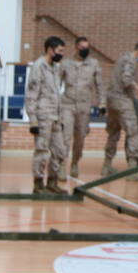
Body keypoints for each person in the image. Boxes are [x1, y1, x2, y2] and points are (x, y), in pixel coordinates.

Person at [103, 40, 138, 181]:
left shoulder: (122, 57)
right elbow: (126, 79)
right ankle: (132, 169)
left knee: (113, 132)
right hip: (122, 100)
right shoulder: (131, 60)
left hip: (111, 100)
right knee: (133, 132)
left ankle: (106, 166)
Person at [26, 36, 67, 194]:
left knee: (59, 151)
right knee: (42, 151)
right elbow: (31, 95)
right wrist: (33, 121)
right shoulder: (38, 66)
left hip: (56, 117)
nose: (61, 54)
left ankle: (52, 182)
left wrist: (61, 118)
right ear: (50, 49)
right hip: (43, 116)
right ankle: (38, 184)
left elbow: (57, 94)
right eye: (59, 51)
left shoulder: (56, 67)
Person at [59, 35, 103, 180]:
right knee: (65, 137)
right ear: (76, 47)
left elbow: (99, 85)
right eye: (82, 47)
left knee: (80, 139)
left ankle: (75, 163)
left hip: (84, 106)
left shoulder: (94, 64)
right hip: (67, 104)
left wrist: (102, 103)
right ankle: (62, 166)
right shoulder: (65, 64)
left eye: (87, 48)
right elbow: (56, 83)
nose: (85, 50)